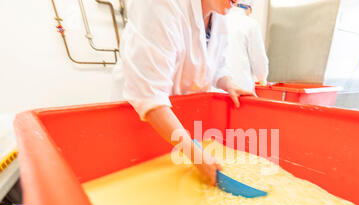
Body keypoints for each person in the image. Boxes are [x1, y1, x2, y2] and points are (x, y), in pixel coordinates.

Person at [112, 0, 254, 185]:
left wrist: (228, 83)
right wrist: (195, 155)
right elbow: (149, 95)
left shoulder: (220, 15)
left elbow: (215, 65)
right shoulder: (159, 4)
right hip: (139, 118)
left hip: (180, 126)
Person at [225, 0, 269, 92]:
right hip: (239, 88)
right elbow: (258, 59)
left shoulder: (219, 19)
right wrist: (262, 78)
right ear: (248, 9)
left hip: (215, 89)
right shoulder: (250, 24)